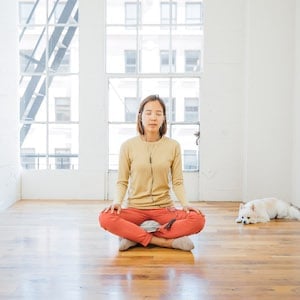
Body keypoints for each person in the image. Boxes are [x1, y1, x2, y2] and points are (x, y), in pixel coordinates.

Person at [99, 94, 205, 251]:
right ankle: (164, 241)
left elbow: (177, 182)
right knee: (105, 217)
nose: (153, 117)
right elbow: (122, 181)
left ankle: (135, 236)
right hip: (135, 209)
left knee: (198, 219)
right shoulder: (128, 146)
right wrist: (117, 202)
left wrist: (185, 204)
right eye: (148, 113)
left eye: (158, 113)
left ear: (164, 118)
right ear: (140, 116)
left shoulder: (173, 146)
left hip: (164, 209)